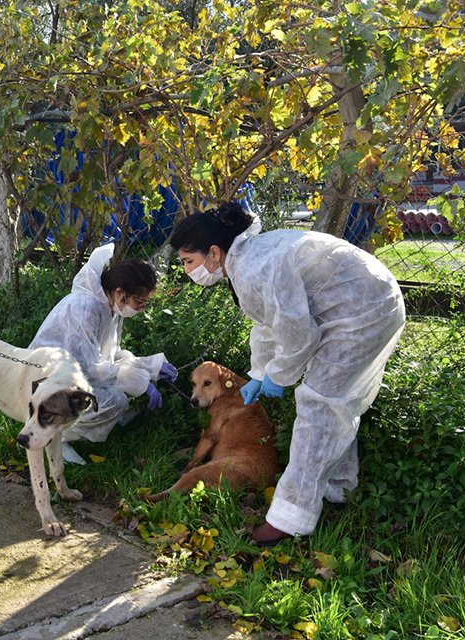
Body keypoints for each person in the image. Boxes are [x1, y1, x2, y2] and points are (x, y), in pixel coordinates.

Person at [169, 200, 405, 546]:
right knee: (338, 404)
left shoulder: (252, 269)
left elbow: (298, 335)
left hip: (361, 313)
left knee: (318, 405)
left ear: (214, 253)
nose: (189, 270)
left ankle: (289, 519)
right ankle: (339, 491)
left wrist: (277, 376)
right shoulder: (246, 259)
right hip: (369, 301)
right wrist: (260, 373)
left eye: (189, 261)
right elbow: (268, 323)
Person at [29, 243, 178, 465]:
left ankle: (82, 429)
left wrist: (152, 368)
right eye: (139, 302)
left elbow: (111, 356)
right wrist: (139, 380)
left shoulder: (110, 308)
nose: (140, 309)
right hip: (44, 381)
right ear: (120, 292)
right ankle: (56, 437)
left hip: (68, 377)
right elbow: (87, 369)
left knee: (127, 386)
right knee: (115, 399)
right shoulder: (86, 307)